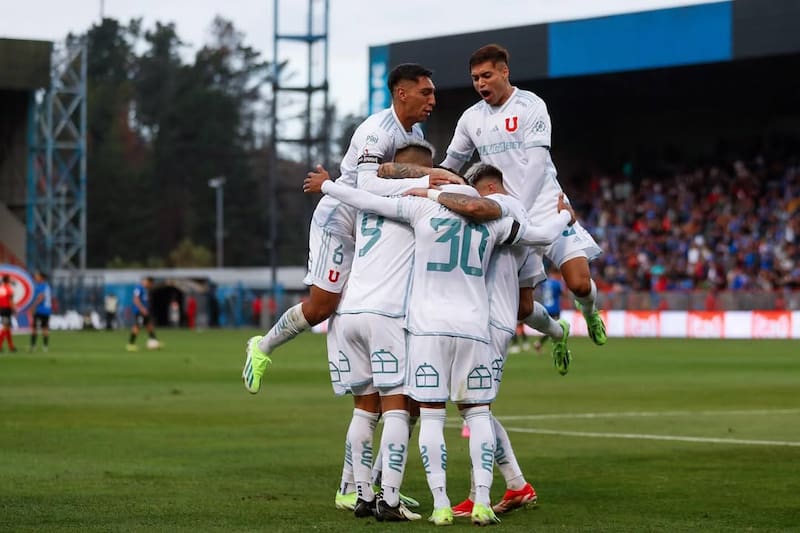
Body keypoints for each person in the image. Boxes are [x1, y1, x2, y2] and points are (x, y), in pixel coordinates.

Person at [304, 158, 574, 526]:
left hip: (427, 328)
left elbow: (370, 202)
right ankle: (481, 502)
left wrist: (329, 185)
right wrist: (564, 217)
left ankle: (441, 505)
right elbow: (542, 236)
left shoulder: (423, 208)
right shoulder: (494, 221)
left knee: (431, 417)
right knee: (478, 414)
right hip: (475, 327)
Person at [242, 63, 441, 518]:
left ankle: (362, 486)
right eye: (425, 92)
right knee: (322, 307)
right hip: (342, 218)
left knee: (375, 391)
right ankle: (263, 344)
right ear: (401, 92)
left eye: (433, 93)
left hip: (374, 222)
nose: (432, 99)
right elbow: (369, 184)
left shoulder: (414, 132)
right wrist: (430, 182)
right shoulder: (376, 129)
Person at [403, 162, 573, 516]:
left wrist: (563, 220)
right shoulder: (517, 217)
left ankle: (512, 485)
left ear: (485, 189)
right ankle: (510, 486)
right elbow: (526, 303)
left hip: (487, 320)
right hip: (490, 319)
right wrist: (555, 330)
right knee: (472, 407)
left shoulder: (501, 208)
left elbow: (484, 213)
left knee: (475, 408)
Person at [439, 44, 607, 346]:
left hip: (544, 204)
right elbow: (451, 164)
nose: (480, 84)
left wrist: (520, 209)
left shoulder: (530, 106)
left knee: (580, 284)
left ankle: (590, 310)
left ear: (505, 71)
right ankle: (558, 332)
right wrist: (427, 179)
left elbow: (537, 165)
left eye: (486, 75)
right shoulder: (470, 118)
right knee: (521, 308)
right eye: (475, 78)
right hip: (504, 212)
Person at [534, 264, 563, 353]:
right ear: (557, 273)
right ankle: (541, 343)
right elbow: (563, 294)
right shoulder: (557, 283)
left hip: (546, 307)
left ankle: (539, 343)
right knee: (557, 328)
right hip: (555, 308)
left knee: (550, 327)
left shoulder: (546, 282)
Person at [126, 276, 159, 351]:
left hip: (144, 311)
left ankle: (154, 341)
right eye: (150, 284)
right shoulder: (139, 288)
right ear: (148, 282)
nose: (150, 286)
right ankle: (131, 344)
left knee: (149, 325)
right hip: (139, 311)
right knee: (137, 326)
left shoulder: (145, 289)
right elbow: (135, 299)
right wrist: (142, 309)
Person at [28, 271, 52, 352]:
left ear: (42, 278)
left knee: (34, 328)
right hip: (47, 310)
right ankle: (45, 347)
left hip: (40, 310)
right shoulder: (47, 286)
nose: (36, 277)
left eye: (37, 276)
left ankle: (33, 346)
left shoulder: (40, 286)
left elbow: (41, 297)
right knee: (45, 328)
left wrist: (33, 307)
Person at [0, 275, 17, 353]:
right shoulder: (9, 288)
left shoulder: (1, 288)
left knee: (8, 328)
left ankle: (11, 346)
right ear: (7, 280)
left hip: (2, 308)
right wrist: (14, 309)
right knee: (5, 327)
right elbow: (10, 300)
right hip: (7, 309)